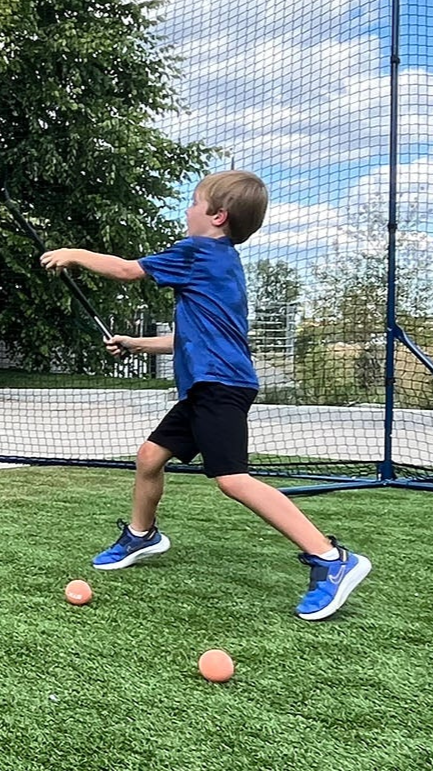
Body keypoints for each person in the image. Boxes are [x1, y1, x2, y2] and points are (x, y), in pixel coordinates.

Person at [39, 170, 371, 621]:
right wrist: (136, 344)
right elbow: (191, 337)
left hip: (220, 385)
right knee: (150, 457)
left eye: (194, 202)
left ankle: (330, 558)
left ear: (218, 216)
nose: (187, 209)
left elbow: (126, 271)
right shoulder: (223, 265)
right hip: (208, 386)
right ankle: (142, 535)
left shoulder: (197, 251)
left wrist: (74, 254)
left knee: (232, 479)